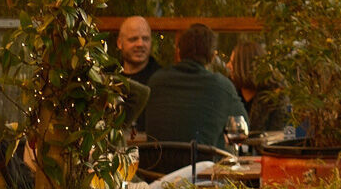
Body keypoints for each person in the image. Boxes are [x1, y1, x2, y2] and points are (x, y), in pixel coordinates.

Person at [140, 24, 248, 174]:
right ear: (211, 57)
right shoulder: (222, 86)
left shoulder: (156, 81)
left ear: (179, 52)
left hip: (156, 176)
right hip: (204, 181)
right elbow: (242, 126)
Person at [226, 39, 292, 135]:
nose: (228, 65)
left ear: (245, 66)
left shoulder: (276, 96)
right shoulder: (230, 91)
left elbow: (283, 135)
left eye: (232, 62)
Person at [115, 16, 159, 88]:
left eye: (145, 39)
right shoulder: (108, 76)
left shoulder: (161, 79)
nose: (140, 44)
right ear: (120, 43)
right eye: (133, 39)